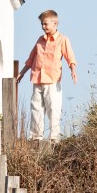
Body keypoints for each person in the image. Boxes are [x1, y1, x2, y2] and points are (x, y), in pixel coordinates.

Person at [17, 10, 77, 141]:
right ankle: (35, 136)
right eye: (42, 24)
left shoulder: (63, 40)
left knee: (53, 109)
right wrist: (21, 73)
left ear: (55, 23)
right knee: (36, 107)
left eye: (45, 24)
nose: (43, 27)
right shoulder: (40, 40)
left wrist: (73, 70)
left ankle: (54, 137)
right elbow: (31, 59)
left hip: (52, 81)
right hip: (37, 79)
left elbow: (70, 57)